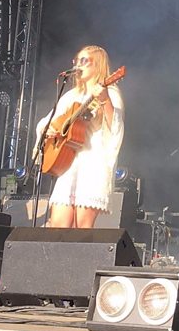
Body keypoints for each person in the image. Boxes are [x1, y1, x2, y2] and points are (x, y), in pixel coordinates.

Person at [36, 45, 124, 229]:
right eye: (76, 60)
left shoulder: (110, 91)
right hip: (68, 164)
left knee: (81, 228)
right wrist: (49, 130)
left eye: (84, 61)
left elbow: (115, 125)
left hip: (93, 164)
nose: (78, 65)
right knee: (57, 225)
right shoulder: (71, 95)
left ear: (98, 65)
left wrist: (105, 99)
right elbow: (47, 121)